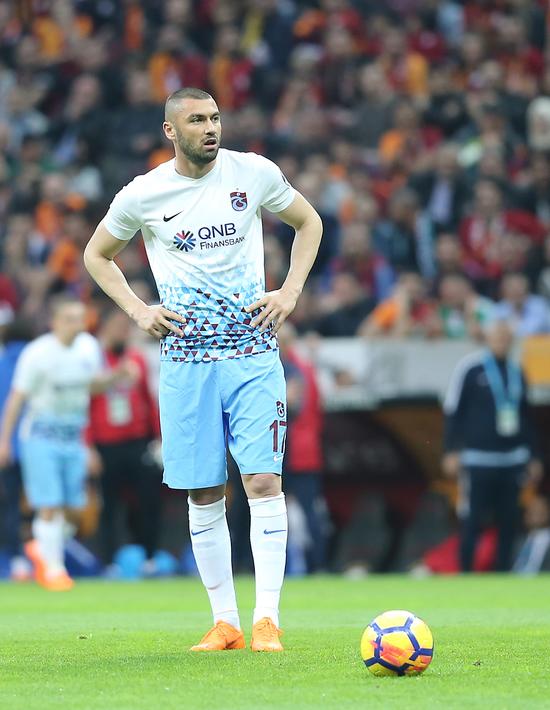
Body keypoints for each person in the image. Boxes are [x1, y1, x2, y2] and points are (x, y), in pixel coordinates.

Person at [84, 87, 322, 651]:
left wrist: (289, 290)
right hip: (186, 360)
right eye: (196, 120)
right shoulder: (143, 194)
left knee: (262, 480)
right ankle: (225, 622)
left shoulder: (252, 172)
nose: (210, 128)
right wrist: (138, 311)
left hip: (252, 352)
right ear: (171, 130)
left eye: (215, 118)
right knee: (203, 491)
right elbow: (97, 254)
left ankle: (267, 620)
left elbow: (308, 222)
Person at [0, 296, 135, 590]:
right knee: (49, 504)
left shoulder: (88, 347)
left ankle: (40, 546)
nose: (77, 325)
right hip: (41, 435)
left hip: (74, 437)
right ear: (55, 322)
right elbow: (16, 399)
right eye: (70, 319)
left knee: (75, 509)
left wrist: (116, 377)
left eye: (80, 319)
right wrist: (4, 441)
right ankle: (54, 569)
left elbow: (92, 387)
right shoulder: (37, 354)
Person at [442, 320, 543, 572]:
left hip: (511, 459)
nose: (502, 341)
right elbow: (453, 411)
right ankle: (466, 572)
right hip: (478, 458)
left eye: (506, 337)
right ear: (487, 338)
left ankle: (503, 573)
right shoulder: (471, 369)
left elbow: (526, 418)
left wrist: (534, 456)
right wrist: (450, 449)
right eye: (497, 336)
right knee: (472, 518)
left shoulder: (517, 372)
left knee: (509, 520)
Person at [87, 309, 162, 575]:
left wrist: (158, 437)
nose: (123, 331)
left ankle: (149, 558)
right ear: (105, 328)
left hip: (137, 441)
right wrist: (88, 446)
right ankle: (108, 562)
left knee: (147, 500)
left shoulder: (136, 358)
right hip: (105, 443)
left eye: (125, 327)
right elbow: (84, 401)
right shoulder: (93, 359)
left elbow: (148, 399)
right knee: (108, 505)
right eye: (117, 326)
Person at [0, 318, 34, 580]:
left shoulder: (3, 365)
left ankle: (16, 559)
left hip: (8, 448)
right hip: (37, 445)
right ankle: (43, 556)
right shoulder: (36, 361)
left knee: (11, 506)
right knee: (42, 506)